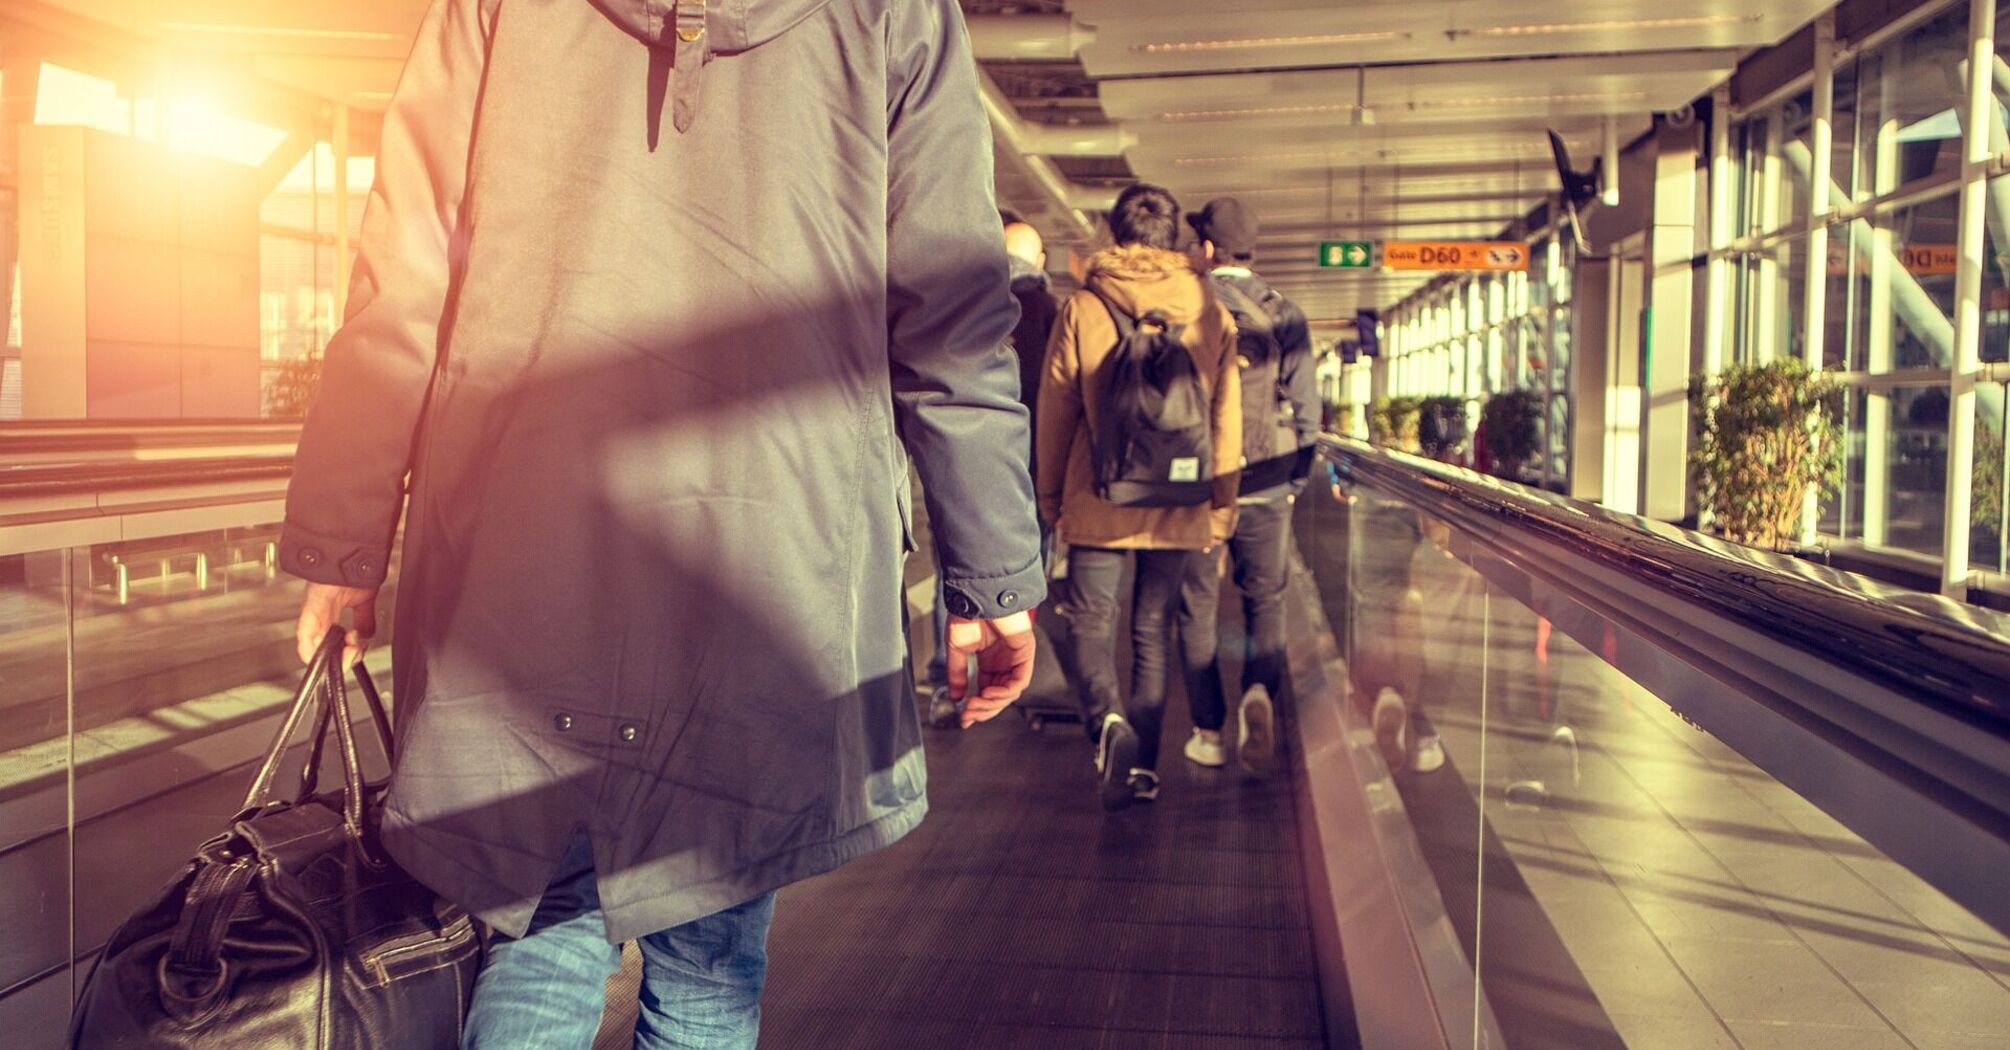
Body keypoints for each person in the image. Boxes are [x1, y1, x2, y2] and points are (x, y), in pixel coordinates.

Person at [279, 2, 1044, 1048]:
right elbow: (953, 318)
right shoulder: (896, 12)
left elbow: (401, 283)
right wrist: (992, 580)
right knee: (709, 952)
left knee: (541, 928)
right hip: (776, 556)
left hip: (520, 546)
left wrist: (344, 542)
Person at [1037, 182, 1240, 811]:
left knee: (1088, 621)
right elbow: (1224, 419)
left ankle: (1107, 723)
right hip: (1179, 499)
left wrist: (1049, 498)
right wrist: (1221, 508)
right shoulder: (1210, 310)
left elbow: (1056, 408)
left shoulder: (1084, 306)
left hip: (1099, 495)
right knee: (1152, 630)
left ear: (1115, 235)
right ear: (1176, 237)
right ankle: (1143, 770)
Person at [1174, 198, 1319, 775]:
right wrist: (1295, 478)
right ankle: (1258, 693)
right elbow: (1309, 410)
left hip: (1201, 485)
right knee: (1266, 599)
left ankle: (1208, 731)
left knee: (1197, 606)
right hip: (1268, 479)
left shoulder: (1190, 306)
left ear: (1208, 249)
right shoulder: (1284, 313)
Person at [923, 211, 1058, 727]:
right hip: (1033, 470)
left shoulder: (964, 303)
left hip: (958, 469)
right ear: (1039, 261)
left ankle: (944, 678)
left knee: (950, 570)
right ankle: (1011, 645)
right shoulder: (1054, 310)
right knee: (1027, 566)